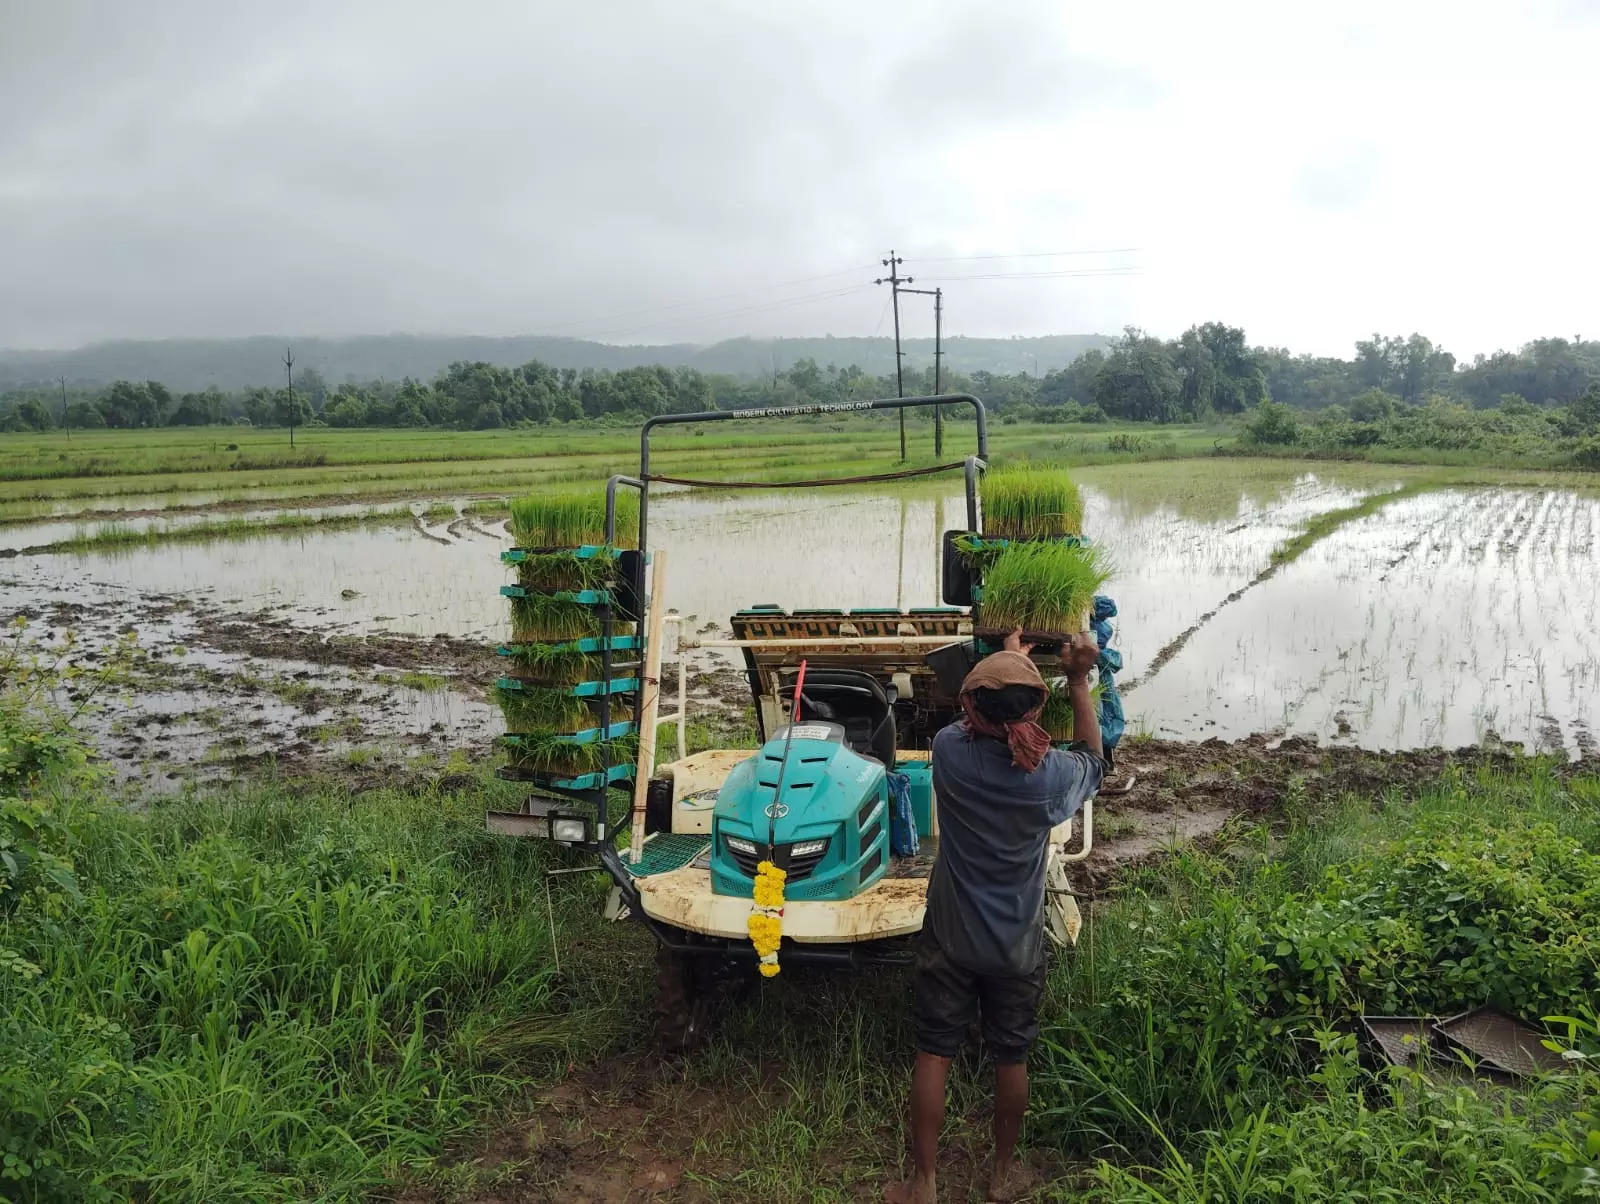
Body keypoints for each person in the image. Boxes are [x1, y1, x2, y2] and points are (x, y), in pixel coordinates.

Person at [886, 628, 1104, 1204]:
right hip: (1016, 944)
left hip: (950, 934)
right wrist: (1077, 678)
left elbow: (975, 716)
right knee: (1011, 1054)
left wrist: (1004, 660)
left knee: (935, 1049)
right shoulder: (1049, 777)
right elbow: (1094, 760)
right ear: (1036, 710)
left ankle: (924, 1183)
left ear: (968, 707)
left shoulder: (948, 751)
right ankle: (1002, 1175)